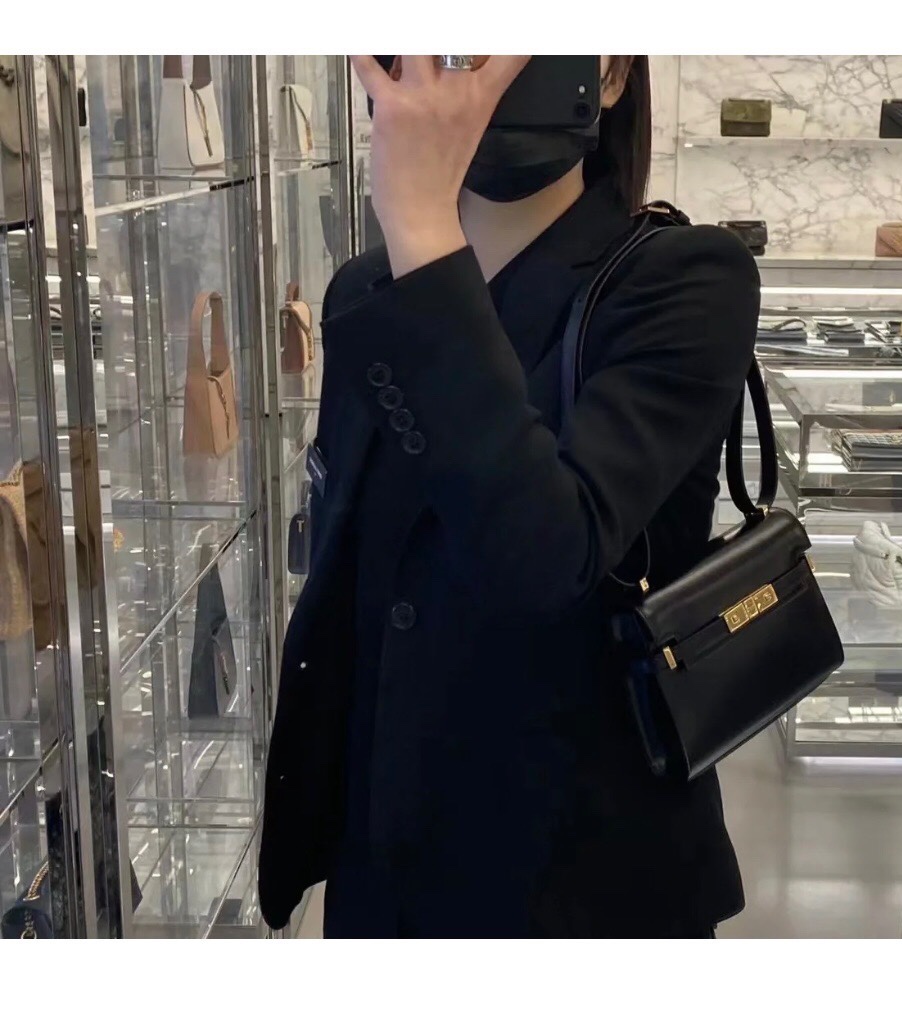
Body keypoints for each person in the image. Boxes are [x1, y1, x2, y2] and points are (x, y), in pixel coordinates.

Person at [258, 55, 760, 937]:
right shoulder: (365, 290)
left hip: (581, 876)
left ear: (610, 74)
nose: (472, 72)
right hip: (385, 855)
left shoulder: (683, 279)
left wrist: (420, 223)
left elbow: (543, 560)